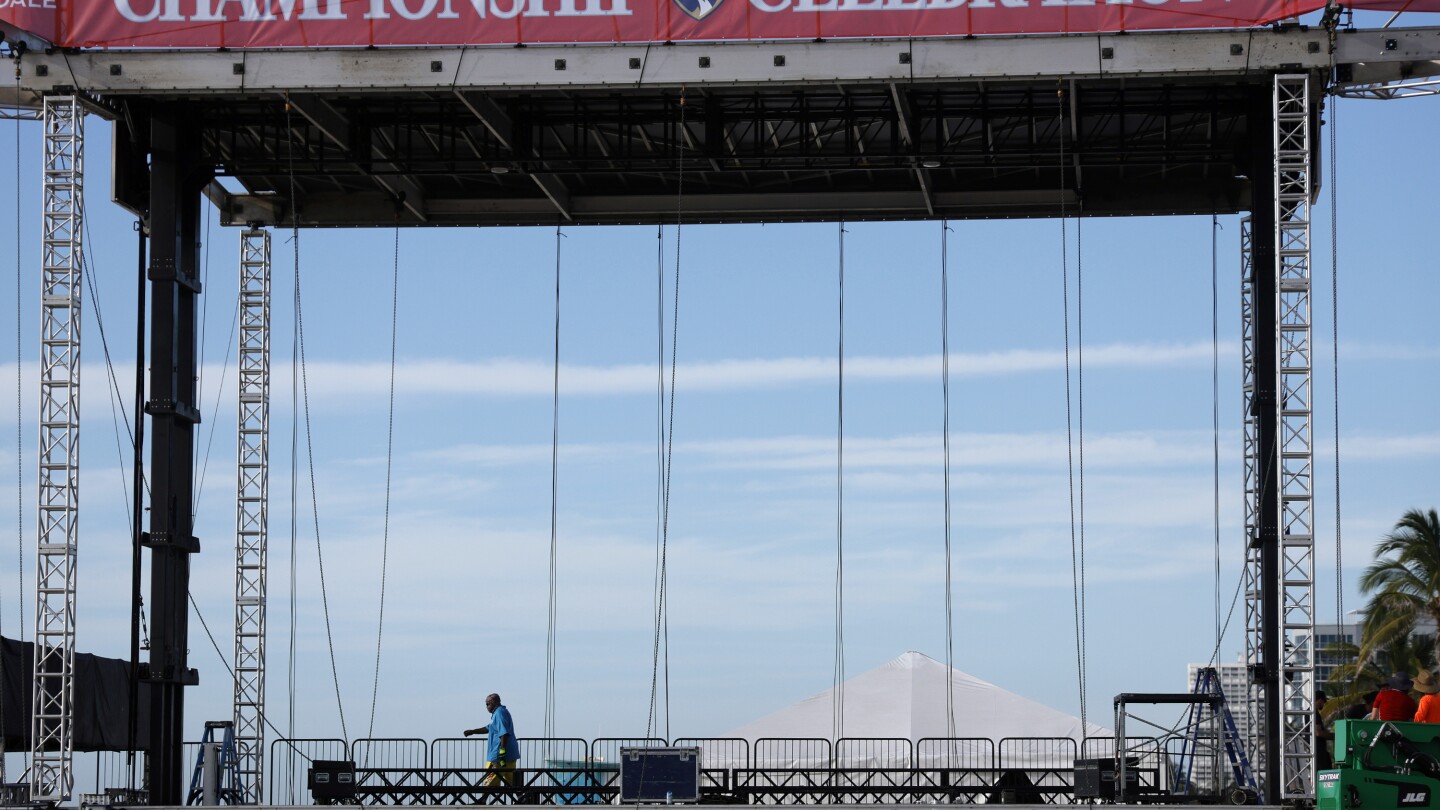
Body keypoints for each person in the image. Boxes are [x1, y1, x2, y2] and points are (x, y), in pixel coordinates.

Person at [464, 693, 520, 786]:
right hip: (511, 755)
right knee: (513, 782)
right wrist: (473, 731)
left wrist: (502, 751)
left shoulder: (499, 713)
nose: (486, 706)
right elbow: (489, 728)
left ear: (494, 702)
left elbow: (503, 733)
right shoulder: (500, 712)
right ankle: (521, 799)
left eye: (487, 704)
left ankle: (482, 800)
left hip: (499, 756)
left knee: (489, 781)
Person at [1315, 690, 1333, 769]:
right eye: (1323, 702)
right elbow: (1318, 732)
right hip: (1318, 751)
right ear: (1320, 700)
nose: (1323, 704)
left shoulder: (1311, 712)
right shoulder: (1314, 714)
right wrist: (1335, 736)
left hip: (1317, 750)